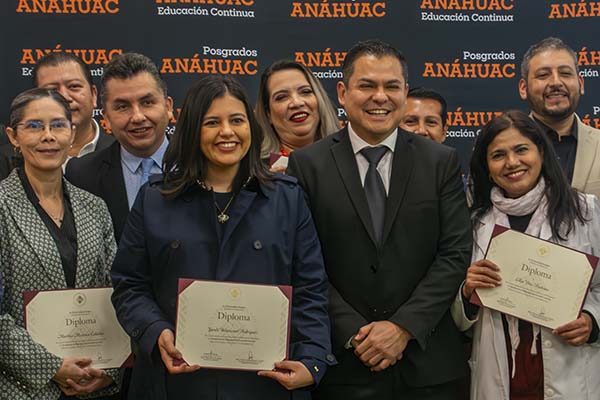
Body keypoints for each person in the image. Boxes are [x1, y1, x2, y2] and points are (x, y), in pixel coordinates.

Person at [110, 75, 334, 399]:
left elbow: (311, 288)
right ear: (191, 131)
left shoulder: (287, 198)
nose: (227, 132)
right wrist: (155, 330)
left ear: (252, 127)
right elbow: (129, 283)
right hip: (176, 383)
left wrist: (312, 360)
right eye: (212, 122)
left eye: (237, 120)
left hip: (266, 383)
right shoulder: (155, 200)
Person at [287, 39, 472, 400]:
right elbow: (302, 263)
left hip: (429, 367)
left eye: (391, 86)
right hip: (344, 366)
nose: (380, 97)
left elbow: (454, 254)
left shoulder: (441, 162)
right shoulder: (308, 165)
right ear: (342, 92)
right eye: (367, 85)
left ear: (404, 92)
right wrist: (357, 333)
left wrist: (402, 328)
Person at [451, 110, 600, 399]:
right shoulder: (472, 222)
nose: (512, 163)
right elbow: (456, 317)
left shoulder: (585, 212)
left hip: (569, 366)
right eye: (498, 155)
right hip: (500, 371)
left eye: (521, 150)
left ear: (541, 152)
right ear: (487, 165)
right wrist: (467, 292)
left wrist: (592, 322)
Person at [0, 88, 119, 399]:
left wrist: (109, 370)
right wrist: (50, 366)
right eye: (34, 126)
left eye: (58, 125)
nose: (48, 136)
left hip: (92, 384)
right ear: (13, 136)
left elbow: (117, 293)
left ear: (72, 133)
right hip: (21, 388)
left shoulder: (95, 207)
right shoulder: (1, 205)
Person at [65, 53, 172, 243]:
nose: (137, 116)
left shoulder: (201, 165)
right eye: (123, 107)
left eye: (147, 102)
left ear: (168, 106)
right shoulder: (81, 175)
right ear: (106, 117)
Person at [0, 53, 115, 180]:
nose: (64, 97)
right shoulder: (5, 161)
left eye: (74, 86)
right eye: (52, 91)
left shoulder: (120, 152)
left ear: (93, 95)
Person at [519, 37, 600, 198]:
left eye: (565, 73)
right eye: (543, 75)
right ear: (523, 88)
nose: (556, 82)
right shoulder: (499, 149)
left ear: (580, 84)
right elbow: (481, 215)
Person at [255, 60, 338, 171]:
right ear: (268, 114)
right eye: (281, 97)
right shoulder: (257, 171)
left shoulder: (350, 158)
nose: (296, 103)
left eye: (305, 91)